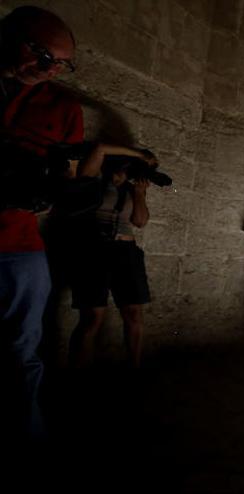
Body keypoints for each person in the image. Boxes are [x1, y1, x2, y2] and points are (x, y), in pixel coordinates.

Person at [0, 6, 81, 444]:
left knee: (21, 352)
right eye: (41, 55)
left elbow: (65, 179)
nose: (48, 69)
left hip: (18, 245)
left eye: (60, 64)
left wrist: (47, 192)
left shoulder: (62, 107)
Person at [64, 144, 157, 369]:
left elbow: (140, 222)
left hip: (126, 252)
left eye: (129, 170)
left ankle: (133, 371)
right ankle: (79, 379)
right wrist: (140, 154)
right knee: (92, 317)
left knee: (134, 314)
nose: (123, 173)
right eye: (121, 167)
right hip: (94, 250)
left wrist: (139, 194)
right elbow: (100, 149)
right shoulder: (93, 178)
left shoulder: (130, 188)